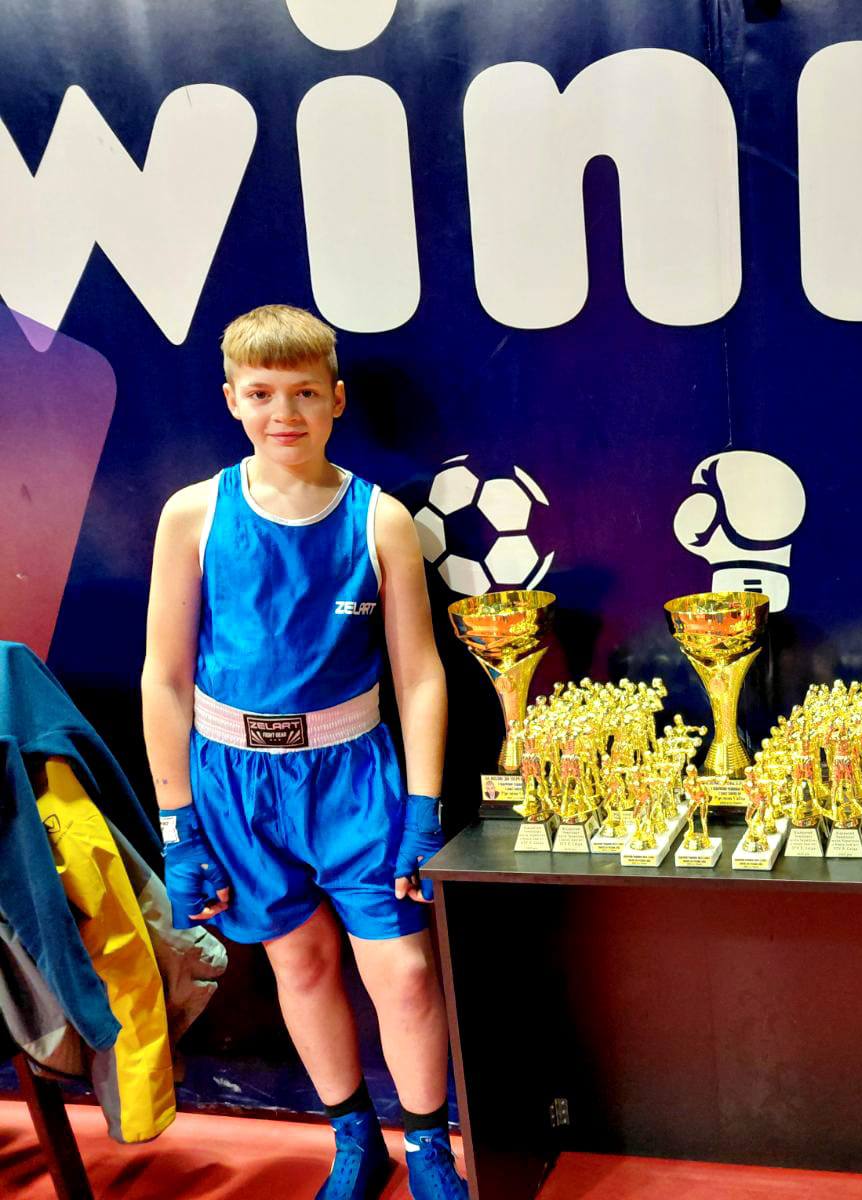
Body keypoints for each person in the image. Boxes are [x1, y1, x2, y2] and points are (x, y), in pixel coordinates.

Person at [141, 305, 466, 1199]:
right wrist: (177, 827)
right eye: (261, 394)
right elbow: (163, 678)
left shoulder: (380, 518)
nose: (283, 412)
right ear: (231, 400)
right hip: (234, 783)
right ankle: (354, 1139)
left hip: (355, 779)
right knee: (301, 963)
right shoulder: (193, 513)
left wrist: (423, 809)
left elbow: (420, 676)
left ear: (336, 399)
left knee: (404, 972)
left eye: (304, 393)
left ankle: (429, 1150)